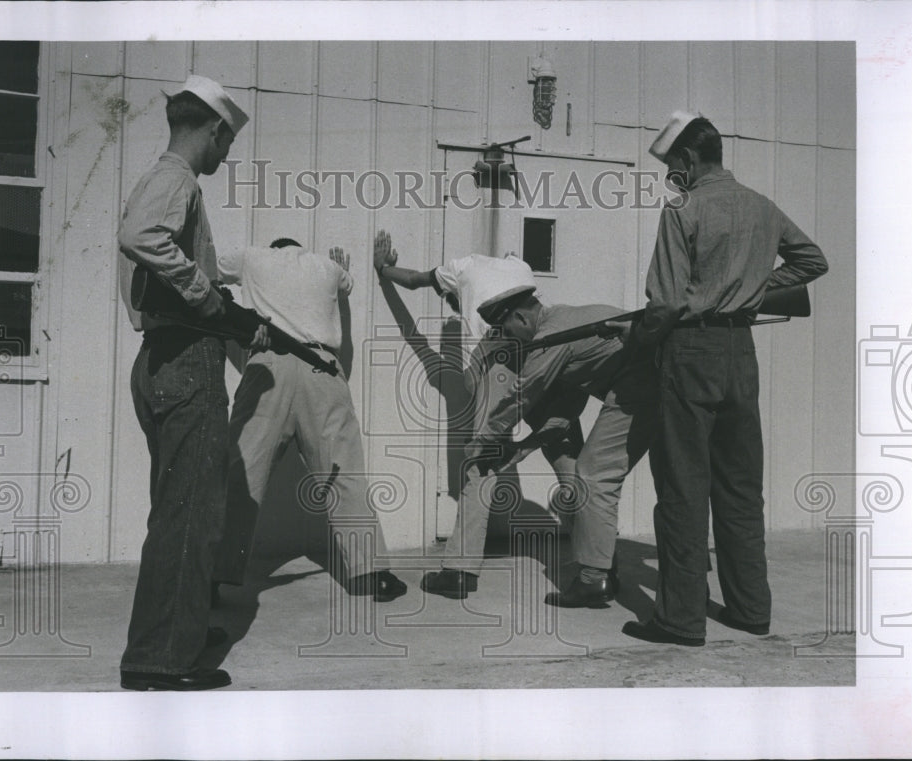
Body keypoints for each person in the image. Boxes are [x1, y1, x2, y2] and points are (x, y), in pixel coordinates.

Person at [622, 112, 829, 646]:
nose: (672, 177)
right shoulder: (762, 205)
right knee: (740, 488)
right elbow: (812, 261)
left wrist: (639, 342)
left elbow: (666, 302)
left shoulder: (684, 208)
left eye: (673, 167)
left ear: (689, 159)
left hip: (690, 351)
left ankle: (679, 619)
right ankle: (750, 609)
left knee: (683, 487)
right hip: (741, 351)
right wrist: (754, 287)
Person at [117, 75, 252, 690]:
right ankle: (161, 659)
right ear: (215, 130)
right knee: (190, 513)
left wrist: (222, 306)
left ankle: (182, 627)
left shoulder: (157, 178)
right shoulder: (178, 179)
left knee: (177, 508)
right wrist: (205, 295)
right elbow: (140, 237)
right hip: (186, 360)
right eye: (228, 142)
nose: (226, 153)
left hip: (160, 360)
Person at [374, 232, 588, 599]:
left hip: (497, 358)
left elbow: (414, 280)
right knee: (568, 456)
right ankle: (596, 566)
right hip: (545, 350)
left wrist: (383, 269)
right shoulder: (519, 266)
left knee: (482, 463)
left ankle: (459, 571)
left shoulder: (461, 267)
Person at [212, 240, 407, 603]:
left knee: (243, 473)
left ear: (275, 249)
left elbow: (209, 268)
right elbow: (346, 285)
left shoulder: (251, 257)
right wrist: (340, 270)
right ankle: (373, 574)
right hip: (321, 367)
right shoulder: (327, 268)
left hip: (268, 365)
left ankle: (211, 579)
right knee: (343, 471)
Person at [470, 286, 658, 606]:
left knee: (591, 476)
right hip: (667, 381)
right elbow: (564, 415)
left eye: (507, 332)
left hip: (641, 388)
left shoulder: (551, 338)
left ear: (521, 318)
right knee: (675, 487)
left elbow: (521, 394)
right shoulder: (569, 322)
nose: (512, 341)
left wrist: (482, 440)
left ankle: (593, 580)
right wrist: (523, 448)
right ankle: (682, 582)